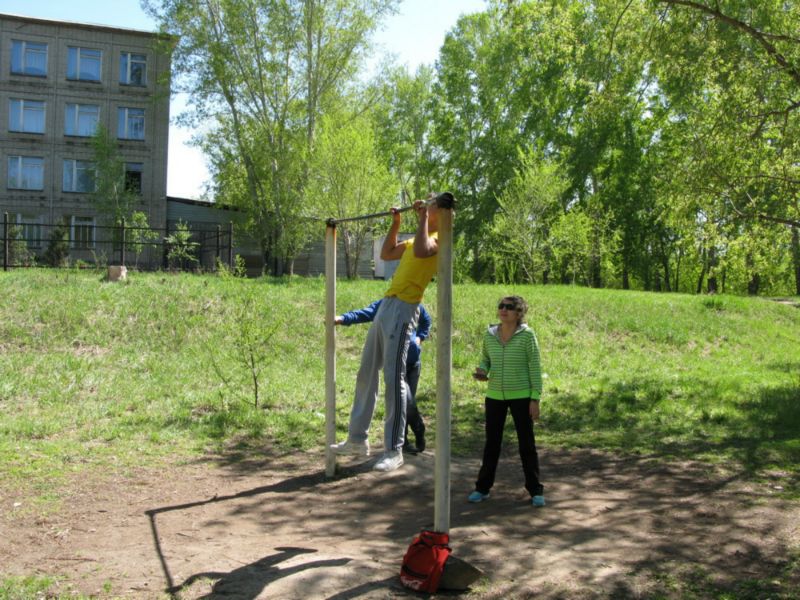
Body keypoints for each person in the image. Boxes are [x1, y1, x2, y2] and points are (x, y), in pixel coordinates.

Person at [331, 198, 440, 472]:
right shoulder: (416, 237)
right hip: (387, 304)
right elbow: (387, 253)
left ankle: (394, 450)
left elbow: (423, 251)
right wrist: (396, 224)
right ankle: (357, 439)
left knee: (393, 379)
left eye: (431, 205)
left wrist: (423, 218)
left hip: (405, 308)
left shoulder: (440, 238)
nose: (427, 208)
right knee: (366, 372)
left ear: (440, 212)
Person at [469, 295, 545, 507]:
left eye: (509, 307)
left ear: (519, 313)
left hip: (522, 396)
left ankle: (535, 490)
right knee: (491, 444)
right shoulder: (489, 334)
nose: (504, 310)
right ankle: (482, 488)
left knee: (526, 444)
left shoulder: (527, 335)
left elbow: (535, 367)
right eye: (501, 306)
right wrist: (483, 370)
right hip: (494, 396)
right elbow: (486, 359)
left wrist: (535, 398)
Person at [334, 300, 430, 454]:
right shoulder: (386, 304)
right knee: (404, 401)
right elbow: (366, 313)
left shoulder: (414, 304)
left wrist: (420, 338)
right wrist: (344, 318)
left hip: (413, 363)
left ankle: (413, 433)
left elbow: (426, 321)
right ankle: (410, 436)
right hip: (395, 362)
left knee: (407, 403)